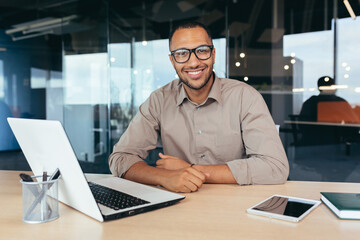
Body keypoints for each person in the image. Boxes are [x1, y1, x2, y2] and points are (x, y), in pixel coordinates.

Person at [109, 21, 289, 193]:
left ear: (213, 54)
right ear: (172, 60)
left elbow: (274, 167)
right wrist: (164, 177)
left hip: (236, 204)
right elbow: (120, 159)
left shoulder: (244, 96)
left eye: (202, 50)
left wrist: (190, 169)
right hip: (178, 205)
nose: (193, 62)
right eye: (181, 53)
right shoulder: (159, 100)